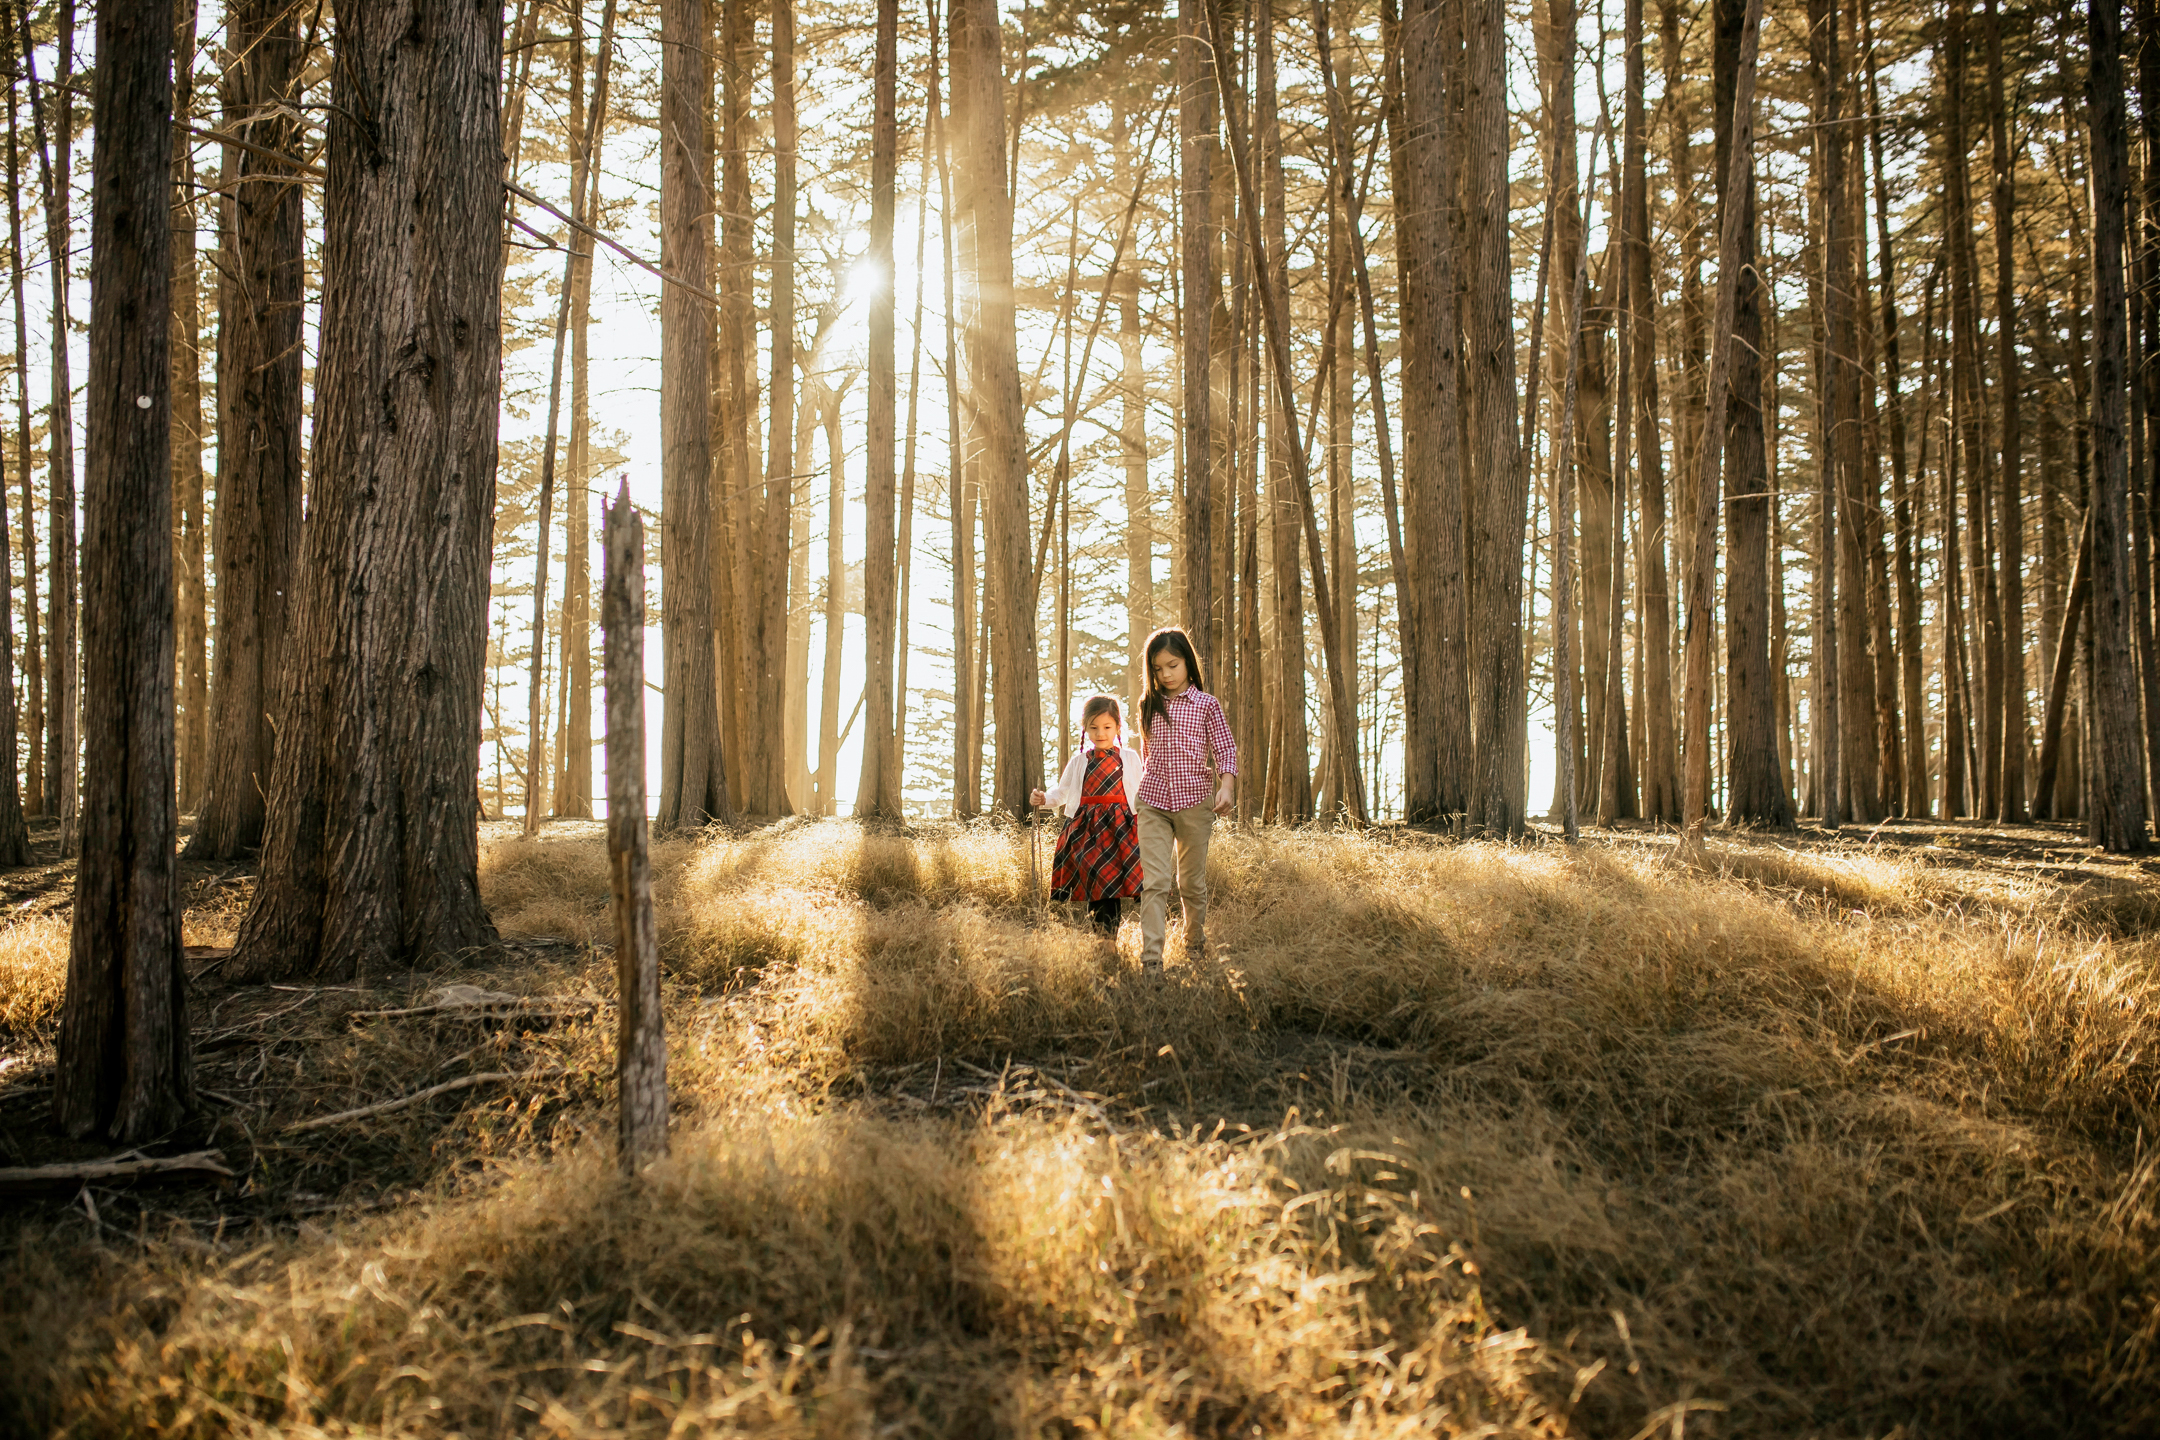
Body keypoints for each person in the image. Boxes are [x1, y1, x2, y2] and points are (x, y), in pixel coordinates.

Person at [1131, 627, 1236, 977]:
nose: (1166, 674)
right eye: (1158, 669)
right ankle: (1151, 960)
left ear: (1188, 663)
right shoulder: (1149, 704)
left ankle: (1194, 944)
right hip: (1153, 803)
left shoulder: (1207, 705)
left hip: (1194, 803)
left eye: (1172, 665)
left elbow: (1224, 749)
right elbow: (1147, 754)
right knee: (1155, 882)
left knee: (1190, 883)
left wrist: (1227, 787)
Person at [1031, 694, 1145, 940]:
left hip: (1122, 832)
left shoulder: (1130, 758)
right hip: (1088, 833)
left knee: (1113, 886)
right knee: (1098, 885)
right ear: (1085, 728)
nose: (1100, 733)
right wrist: (1043, 799)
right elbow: (1062, 792)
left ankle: (1118, 941)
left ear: (1118, 726)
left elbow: (1143, 790)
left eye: (1106, 727)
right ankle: (1103, 942)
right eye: (1093, 727)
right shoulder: (1079, 761)